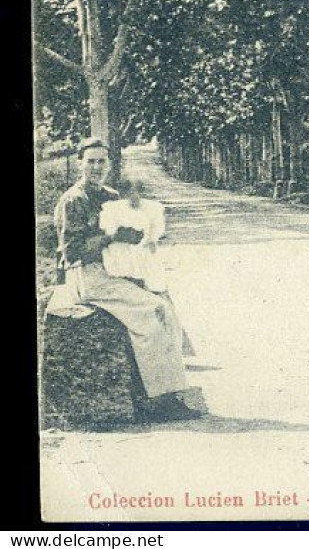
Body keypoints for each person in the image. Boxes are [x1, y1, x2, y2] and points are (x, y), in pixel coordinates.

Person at [46, 139, 201, 421]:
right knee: (151, 311)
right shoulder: (74, 199)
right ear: (80, 163)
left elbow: (128, 237)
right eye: (90, 161)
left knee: (163, 301)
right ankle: (159, 401)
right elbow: (73, 251)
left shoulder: (110, 195)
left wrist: (139, 234)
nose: (96, 167)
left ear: (109, 164)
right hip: (86, 275)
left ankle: (167, 392)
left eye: (101, 161)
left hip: (115, 270)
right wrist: (112, 236)